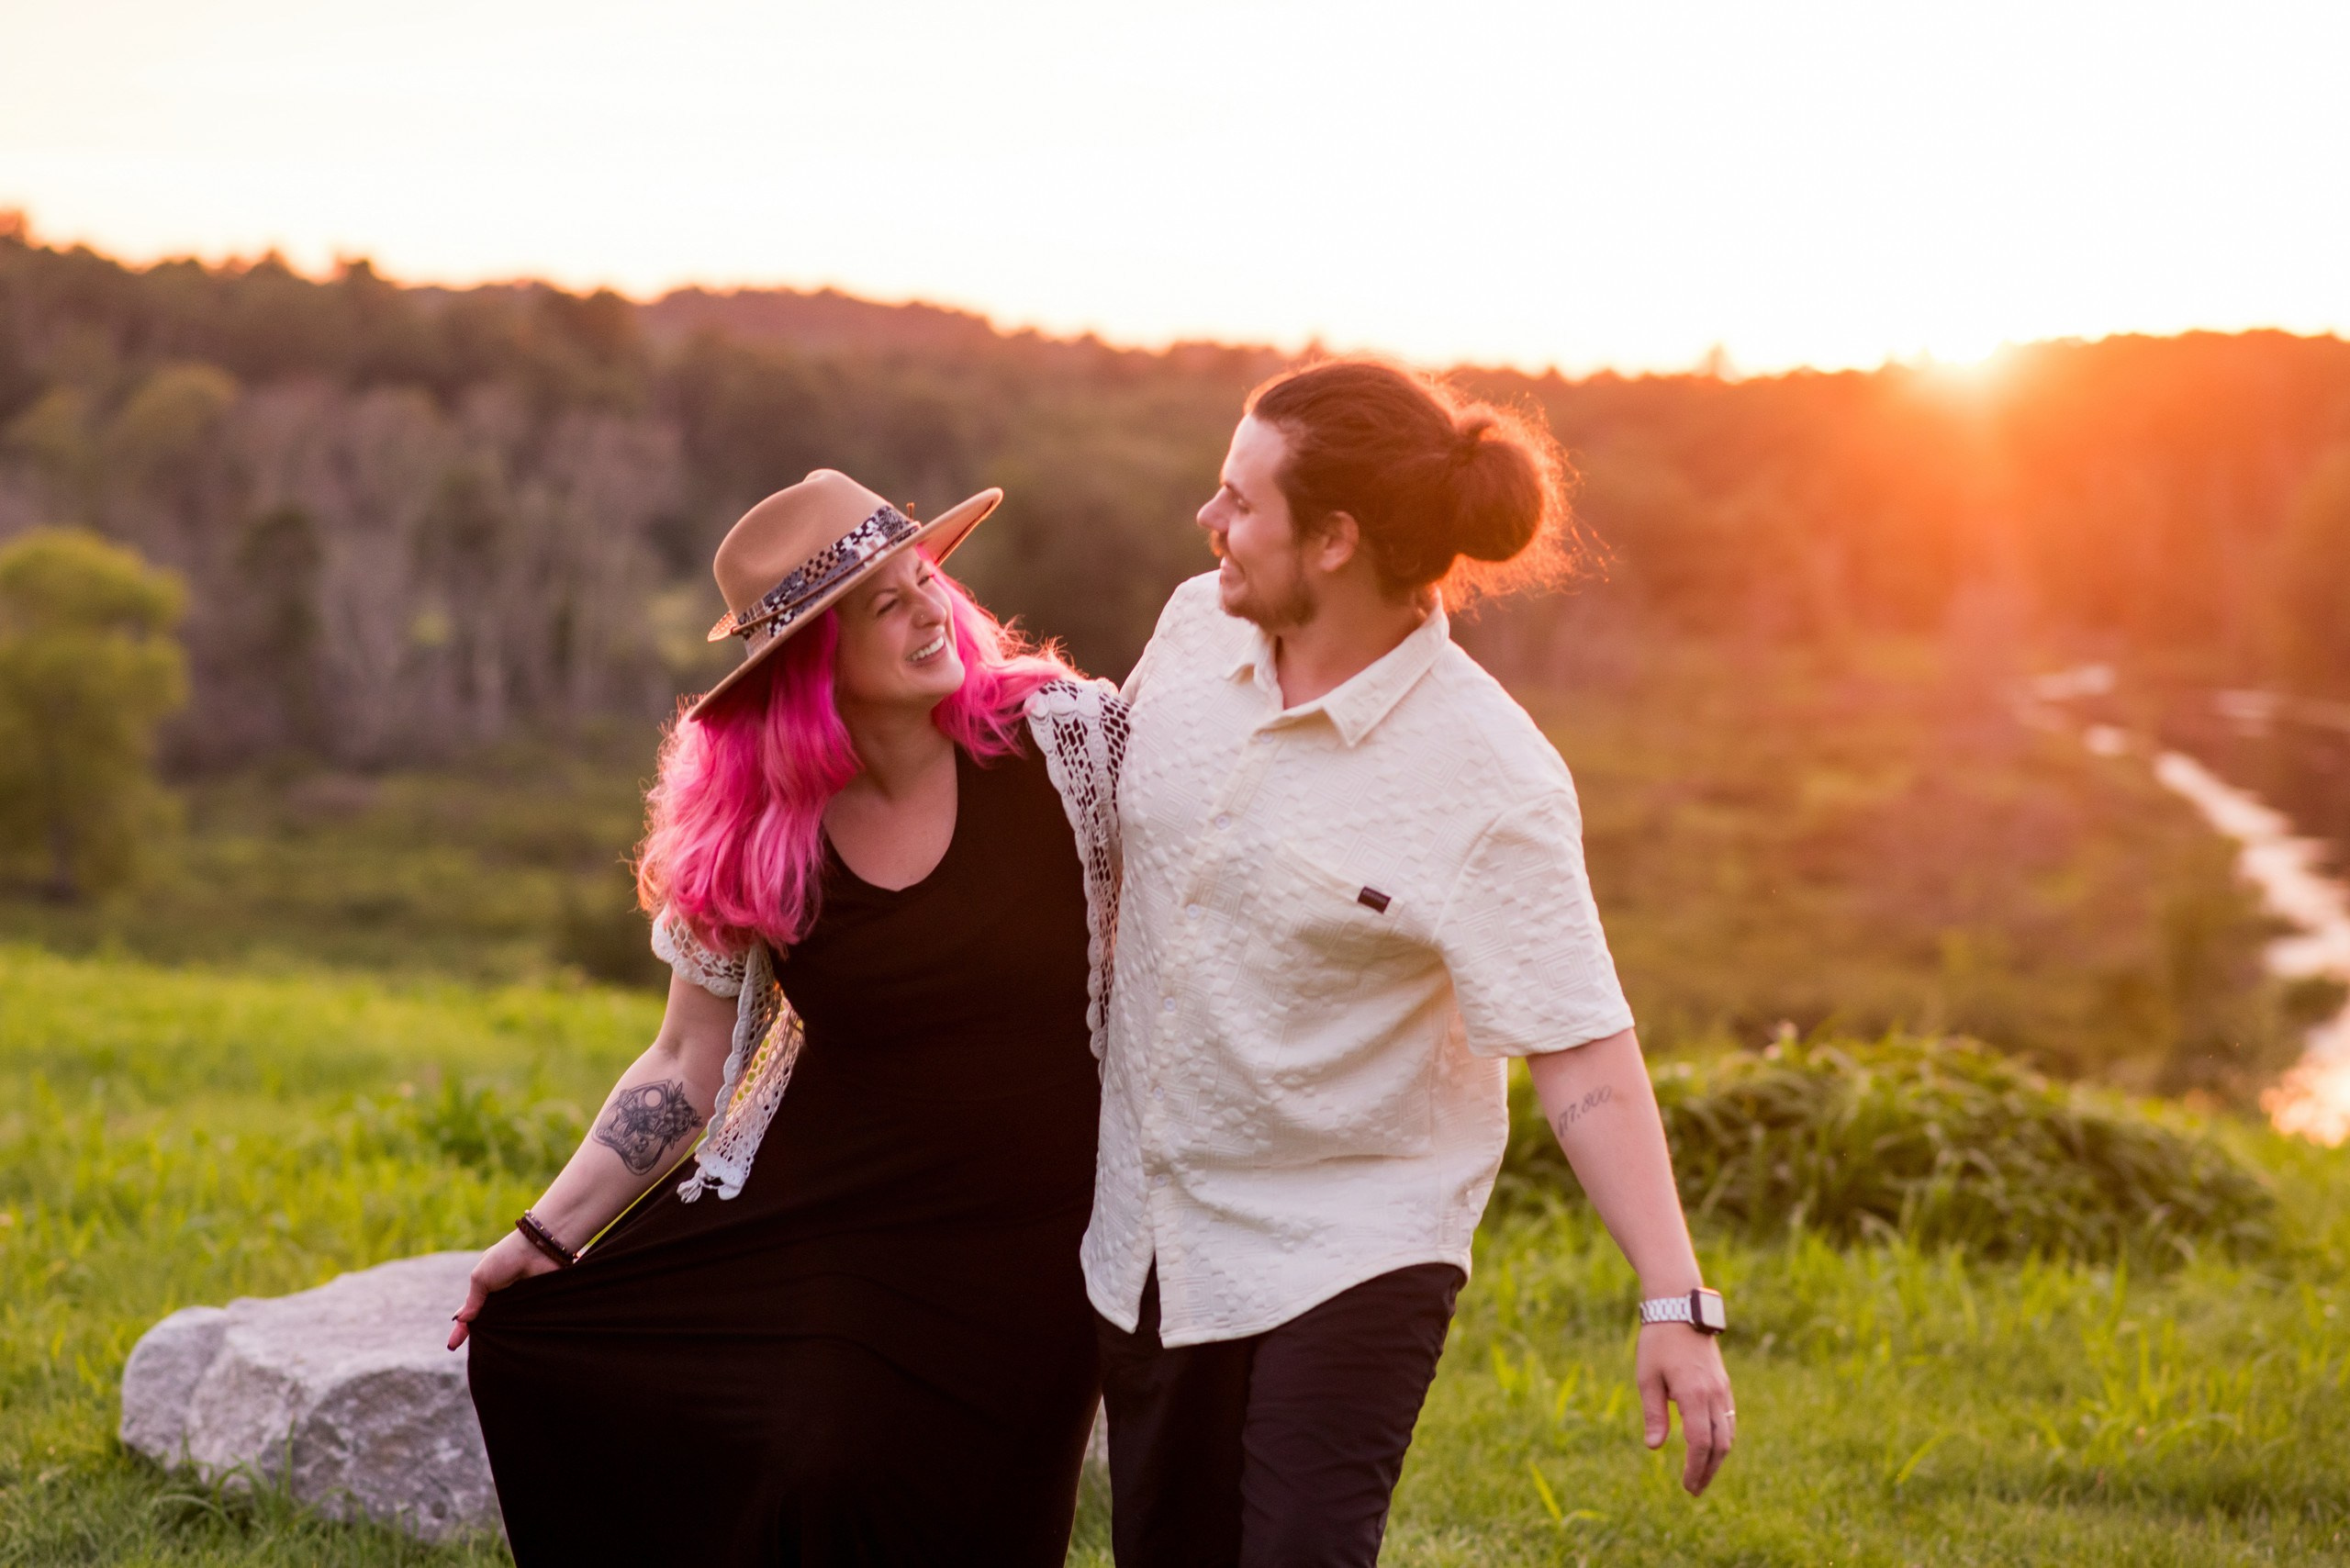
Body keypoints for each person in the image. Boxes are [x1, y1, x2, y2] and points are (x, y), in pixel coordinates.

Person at [1089, 361, 1737, 1567]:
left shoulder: (1489, 776)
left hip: (1359, 1234)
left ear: (1334, 540)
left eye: (1239, 500)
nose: (1207, 520)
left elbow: (1581, 1045)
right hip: (1161, 1212)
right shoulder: (1193, 628)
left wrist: (1674, 1299)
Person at [448, 469, 1125, 1566]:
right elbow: (683, 1058)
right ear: (812, 663)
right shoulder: (759, 828)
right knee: (823, 1465)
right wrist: (543, 1233)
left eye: (926, 582)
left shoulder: (1068, 745)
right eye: (884, 604)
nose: (928, 613)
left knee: (993, 1519)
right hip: (840, 1219)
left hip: (1040, 1237)